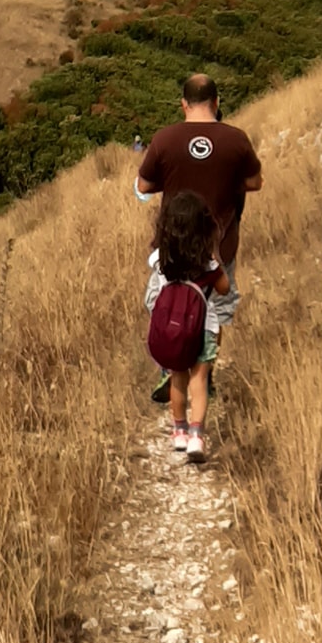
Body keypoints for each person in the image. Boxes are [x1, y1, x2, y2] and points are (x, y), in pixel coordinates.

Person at [135, 73, 262, 400]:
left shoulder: (165, 139)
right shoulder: (236, 139)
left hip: (173, 246)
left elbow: (145, 186)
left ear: (183, 104)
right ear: (216, 103)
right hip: (220, 246)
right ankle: (204, 373)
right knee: (215, 310)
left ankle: (170, 368)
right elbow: (255, 181)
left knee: (162, 303)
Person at [144, 190, 230, 461]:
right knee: (199, 380)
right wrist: (215, 258)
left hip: (173, 331)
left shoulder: (160, 259)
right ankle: (196, 436)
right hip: (204, 328)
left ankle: (179, 432)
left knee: (178, 379)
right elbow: (224, 289)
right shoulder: (207, 263)